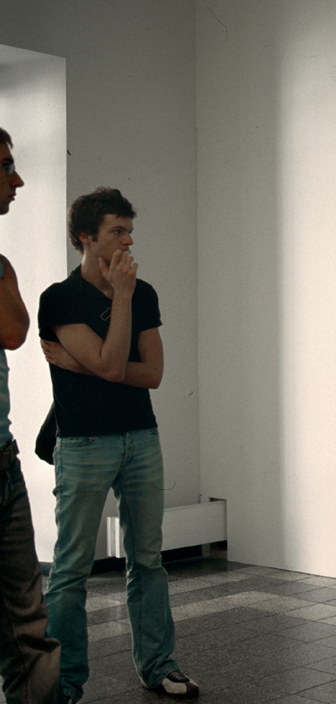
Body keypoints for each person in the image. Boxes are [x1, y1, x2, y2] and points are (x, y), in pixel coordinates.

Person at [37, 187, 197, 702]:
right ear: (86, 237)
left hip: (140, 439)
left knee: (147, 559)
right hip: (83, 443)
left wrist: (80, 359)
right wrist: (117, 309)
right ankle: (65, 682)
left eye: (129, 231)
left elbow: (152, 374)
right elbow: (111, 363)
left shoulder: (143, 291)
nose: (129, 241)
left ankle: (159, 666)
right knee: (71, 570)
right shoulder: (59, 298)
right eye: (117, 231)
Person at [0, 128, 63, 704]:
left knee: (29, 625)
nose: (17, 179)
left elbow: (13, 332)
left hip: (2, 458)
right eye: (5, 167)